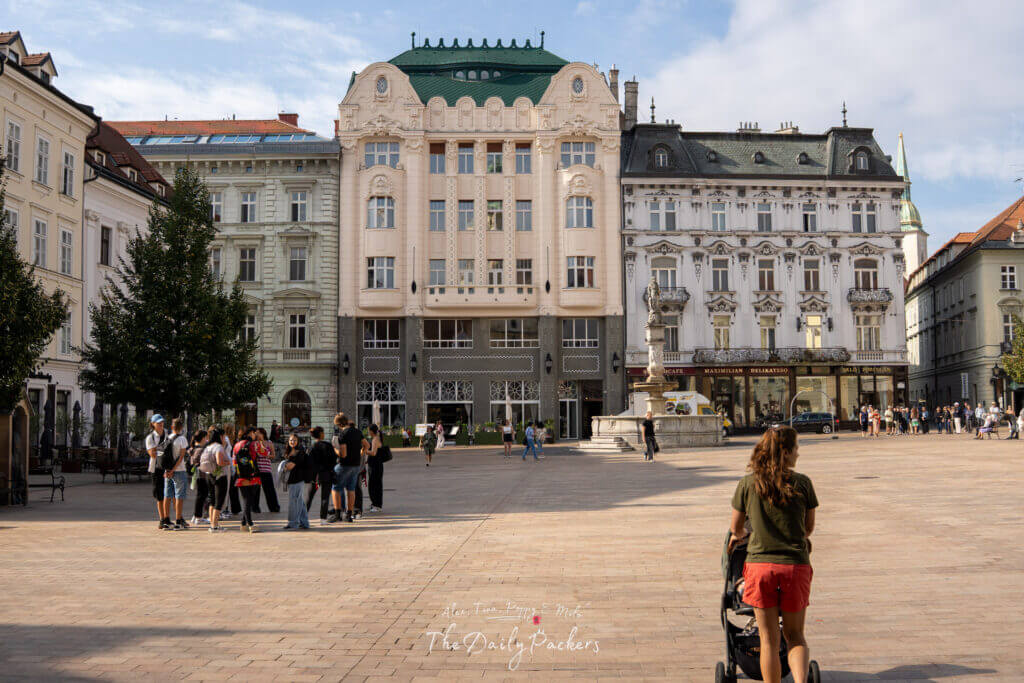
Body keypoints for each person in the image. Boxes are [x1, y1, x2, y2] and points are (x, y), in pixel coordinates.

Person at [729, 426, 817, 683]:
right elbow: (807, 529)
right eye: (797, 450)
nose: (798, 455)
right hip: (794, 567)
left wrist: (744, 535)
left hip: (760, 568)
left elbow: (736, 528)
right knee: (795, 636)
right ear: (786, 452)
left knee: (768, 639)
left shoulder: (747, 483)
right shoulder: (803, 483)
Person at [332, 414, 368, 523]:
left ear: (338, 424)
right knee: (351, 489)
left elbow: (343, 454)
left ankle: (337, 513)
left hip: (344, 465)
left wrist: (335, 449)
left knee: (335, 488)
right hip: (356, 465)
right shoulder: (357, 431)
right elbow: (367, 445)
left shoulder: (342, 434)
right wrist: (361, 452)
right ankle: (349, 514)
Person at [162, 417, 191, 530]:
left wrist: (168, 470)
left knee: (167, 495)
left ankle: (166, 520)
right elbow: (181, 457)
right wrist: (173, 469)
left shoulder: (167, 438)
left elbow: (164, 457)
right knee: (179, 496)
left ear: (172, 427)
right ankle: (178, 521)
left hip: (167, 471)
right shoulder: (182, 439)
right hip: (179, 470)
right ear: (181, 427)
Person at [200, 428, 230, 533]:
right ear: (220, 437)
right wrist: (227, 462)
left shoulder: (208, 447)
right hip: (219, 476)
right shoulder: (218, 447)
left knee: (212, 500)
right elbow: (219, 461)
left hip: (209, 475)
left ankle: (212, 524)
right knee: (219, 501)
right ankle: (215, 525)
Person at [144, 414, 171, 530]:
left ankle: (168, 517)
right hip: (156, 468)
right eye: (158, 423)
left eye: (162, 422)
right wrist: (163, 449)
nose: (161, 424)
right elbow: (152, 454)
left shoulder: (168, 434)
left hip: (168, 467)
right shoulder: (150, 437)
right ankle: (162, 518)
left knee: (169, 493)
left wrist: (160, 449)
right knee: (159, 494)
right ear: (153, 424)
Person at [306, 426, 337, 525]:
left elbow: (309, 463)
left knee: (309, 497)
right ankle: (323, 519)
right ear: (321, 434)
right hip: (327, 475)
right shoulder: (328, 445)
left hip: (315, 476)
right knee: (325, 497)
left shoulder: (311, 447)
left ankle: (303, 516)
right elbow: (334, 460)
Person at [233, 432, 262, 532]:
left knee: (246, 498)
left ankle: (243, 523)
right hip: (252, 476)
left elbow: (234, 460)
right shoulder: (253, 444)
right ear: (250, 434)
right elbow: (261, 454)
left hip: (240, 475)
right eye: (254, 433)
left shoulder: (236, 445)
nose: (255, 434)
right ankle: (250, 523)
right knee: (248, 499)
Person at [282, 433, 311, 530]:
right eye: (290, 440)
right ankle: (305, 523)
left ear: (298, 441)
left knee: (294, 502)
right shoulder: (290, 451)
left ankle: (293, 523)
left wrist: (283, 466)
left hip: (298, 479)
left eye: (294, 440)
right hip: (291, 480)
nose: (292, 442)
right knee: (300, 502)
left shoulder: (300, 452)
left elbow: (291, 466)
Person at [252, 427, 280, 514]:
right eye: (256, 433)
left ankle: (274, 507)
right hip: (257, 470)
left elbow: (273, 455)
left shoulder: (269, 442)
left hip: (266, 469)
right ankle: (255, 508)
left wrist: (266, 454)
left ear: (263, 433)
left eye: (258, 433)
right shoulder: (254, 443)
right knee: (255, 491)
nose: (257, 435)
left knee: (269, 490)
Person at [188, 431, 210, 527]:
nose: (207, 440)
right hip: (202, 475)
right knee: (202, 495)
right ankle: (198, 516)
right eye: (206, 438)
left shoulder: (193, 448)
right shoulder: (200, 449)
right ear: (203, 438)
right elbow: (197, 461)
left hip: (197, 475)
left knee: (200, 495)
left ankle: (196, 515)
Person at [366, 423, 385, 512]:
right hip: (375, 465)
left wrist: (365, 451)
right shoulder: (376, 438)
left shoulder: (375, 439)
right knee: (375, 484)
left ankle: (377, 505)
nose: (367, 432)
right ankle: (375, 504)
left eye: (368, 430)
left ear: (371, 431)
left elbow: (373, 453)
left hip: (375, 466)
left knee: (374, 485)